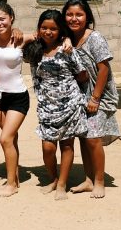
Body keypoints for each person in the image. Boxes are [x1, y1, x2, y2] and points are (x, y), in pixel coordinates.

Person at [24, 10, 88, 201]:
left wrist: (70, 92)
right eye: (44, 27)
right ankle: (53, 178)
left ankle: (61, 184)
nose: (48, 32)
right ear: (38, 29)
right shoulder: (34, 50)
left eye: (53, 28)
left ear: (60, 30)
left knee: (67, 146)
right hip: (46, 107)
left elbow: (82, 74)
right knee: (48, 148)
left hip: (69, 105)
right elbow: (35, 76)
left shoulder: (67, 50)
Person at [62, 0, 119, 199]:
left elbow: (104, 68)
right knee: (83, 138)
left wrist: (95, 98)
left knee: (93, 139)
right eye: (69, 15)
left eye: (79, 15)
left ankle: (99, 181)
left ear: (87, 17)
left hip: (98, 95)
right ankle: (88, 180)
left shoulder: (95, 38)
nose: (74, 19)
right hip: (78, 97)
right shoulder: (66, 38)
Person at [0, 0, 33, 197]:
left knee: (5, 139)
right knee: (11, 139)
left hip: (18, 97)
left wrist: (65, 40)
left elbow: (49, 33)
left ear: (11, 18)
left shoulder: (20, 39)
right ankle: (15, 175)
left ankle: (11, 184)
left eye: (3, 19)